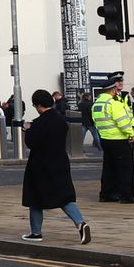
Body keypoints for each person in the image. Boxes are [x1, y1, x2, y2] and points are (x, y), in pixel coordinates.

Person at [22, 89, 90, 243]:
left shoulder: (39, 123)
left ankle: (36, 232)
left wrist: (27, 130)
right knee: (64, 198)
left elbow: (32, 143)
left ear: (39, 105)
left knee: (35, 198)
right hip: (60, 162)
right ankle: (80, 223)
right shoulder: (60, 120)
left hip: (41, 165)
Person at [92, 74, 134, 203]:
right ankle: (126, 196)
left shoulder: (97, 103)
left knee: (108, 168)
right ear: (113, 90)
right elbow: (123, 122)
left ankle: (105, 194)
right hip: (118, 139)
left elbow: (95, 121)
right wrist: (130, 134)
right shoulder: (113, 103)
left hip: (105, 139)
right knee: (124, 168)